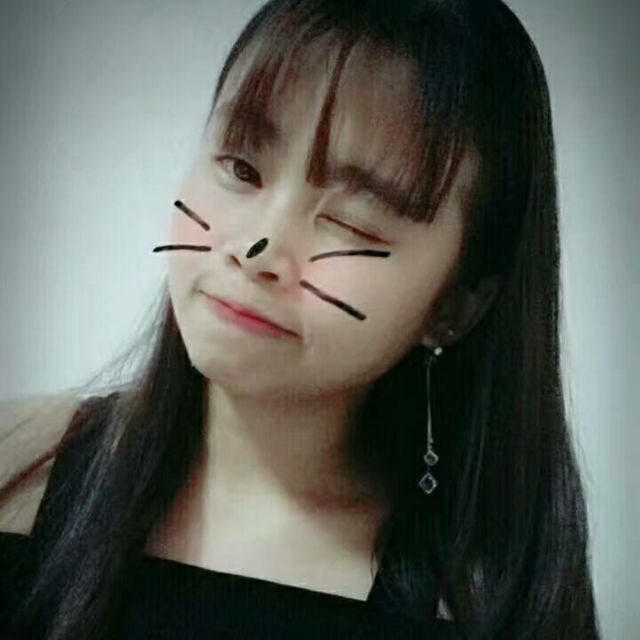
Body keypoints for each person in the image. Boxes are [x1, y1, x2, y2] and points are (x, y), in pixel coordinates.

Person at [0, 0, 601, 638]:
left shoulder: (483, 603)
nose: (256, 249)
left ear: (454, 305)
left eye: (350, 221)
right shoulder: (18, 464)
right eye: (241, 169)